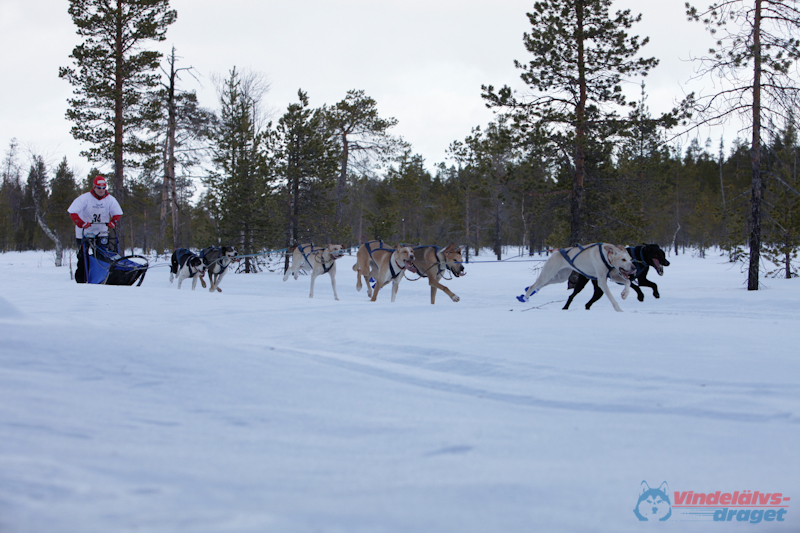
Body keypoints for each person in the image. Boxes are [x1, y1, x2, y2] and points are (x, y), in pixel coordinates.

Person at [67, 175, 123, 282]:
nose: (101, 190)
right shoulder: (85, 198)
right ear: (94, 187)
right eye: (99, 188)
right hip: (84, 233)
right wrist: (81, 223)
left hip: (102, 232)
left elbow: (117, 213)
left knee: (102, 256)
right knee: (83, 257)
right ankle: (81, 280)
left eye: (103, 188)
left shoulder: (110, 199)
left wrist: (113, 222)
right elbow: (73, 212)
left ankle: (101, 278)